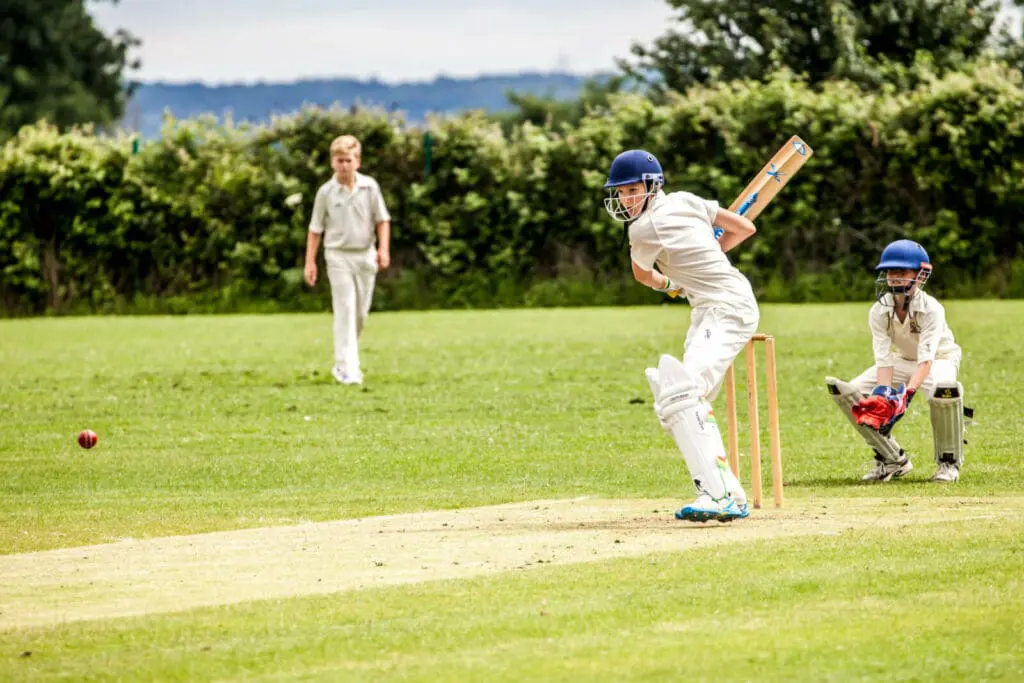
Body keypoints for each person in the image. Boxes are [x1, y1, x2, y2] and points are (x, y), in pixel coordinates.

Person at [604, 149, 759, 522]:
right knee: (677, 400)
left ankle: (719, 496)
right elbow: (744, 228)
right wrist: (710, 252)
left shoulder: (642, 229)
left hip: (724, 307)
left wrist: (673, 284)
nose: (626, 200)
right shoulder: (687, 200)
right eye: (620, 193)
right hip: (714, 304)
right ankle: (728, 492)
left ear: (651, 185)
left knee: (683, 391)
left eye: (631, 190)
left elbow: (643, 276)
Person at [825, 239, 966, 482]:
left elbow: (926, 360)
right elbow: (884, 361)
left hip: (939, 360)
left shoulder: (932, 309)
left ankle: (948, 463)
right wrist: (882, 394)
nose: (893, 278)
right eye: (890, 272)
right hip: (902, 360)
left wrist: (905, 396)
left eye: (901, 272)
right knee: (850, 392)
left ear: (920, 275)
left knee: (944, 392)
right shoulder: (878, 310)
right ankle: (891, 460)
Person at [304, 135, 391, 385]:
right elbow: (315, 230)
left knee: (360, 314)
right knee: (345, 310)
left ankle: (347, 360)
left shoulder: (370, 187)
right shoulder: (326, 192)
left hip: (365, 255)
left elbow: (382, 220)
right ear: (332, 162)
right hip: (338, 256)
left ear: (357, 162)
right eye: (339, 161)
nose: (344, 166)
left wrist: (383, 250)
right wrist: (310, 263)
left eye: (348, 160)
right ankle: (347, 368)